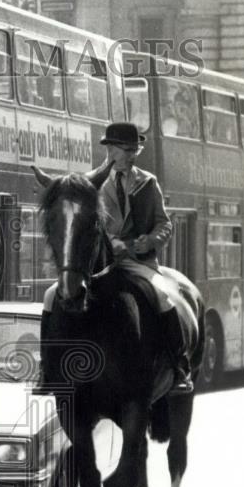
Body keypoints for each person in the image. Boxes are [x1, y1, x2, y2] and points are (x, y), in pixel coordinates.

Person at [98, 121, 192, 393]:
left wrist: (149, 241)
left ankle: (179, 366)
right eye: (126, 149)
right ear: (111, 149)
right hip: (102, 263)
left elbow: (165, 224)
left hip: (138, 263)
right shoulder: (92, 182)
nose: (132, 155)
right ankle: (50, 366)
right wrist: (109, 242)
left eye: (135, 150)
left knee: (163, 297)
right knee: (56, 295)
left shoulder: (147, 182)